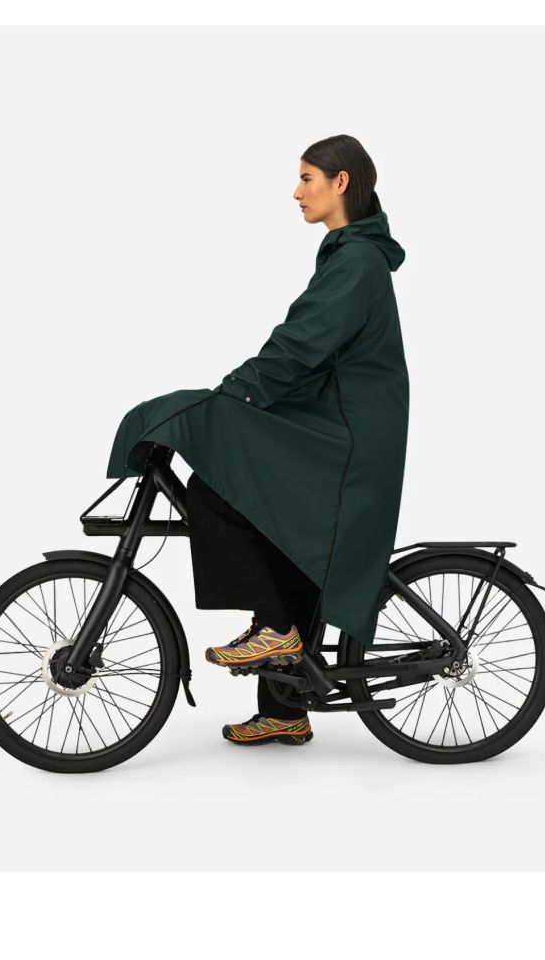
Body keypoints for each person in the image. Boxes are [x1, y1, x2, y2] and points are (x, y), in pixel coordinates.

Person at [179, 133, 408, 747]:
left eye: (307, 178)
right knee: (288, 542)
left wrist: (236, 393)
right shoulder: (348, 255)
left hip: (347, 436)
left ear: (341, 182)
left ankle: (276, 629)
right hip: (338, 425)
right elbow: (307, 348)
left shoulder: (356, 262)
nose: (296, 191)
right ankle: (285, 711)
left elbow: (301, 343)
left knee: (215, 489)